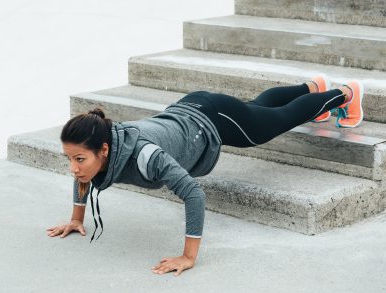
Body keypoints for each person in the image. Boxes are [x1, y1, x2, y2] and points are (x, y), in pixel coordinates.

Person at [46, 74, 364, 276]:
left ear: (103, 149)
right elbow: (83, 175)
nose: (73, 167)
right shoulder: (101, 147)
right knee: (257, 110)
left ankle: (345, 94)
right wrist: (77, 218)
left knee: (275, 121)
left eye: (79, 158)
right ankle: (312, 88)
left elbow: (194, 193)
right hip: (194, 110)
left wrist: (188, 256)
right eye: (69, 159)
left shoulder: (144, 156)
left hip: (210, 118)